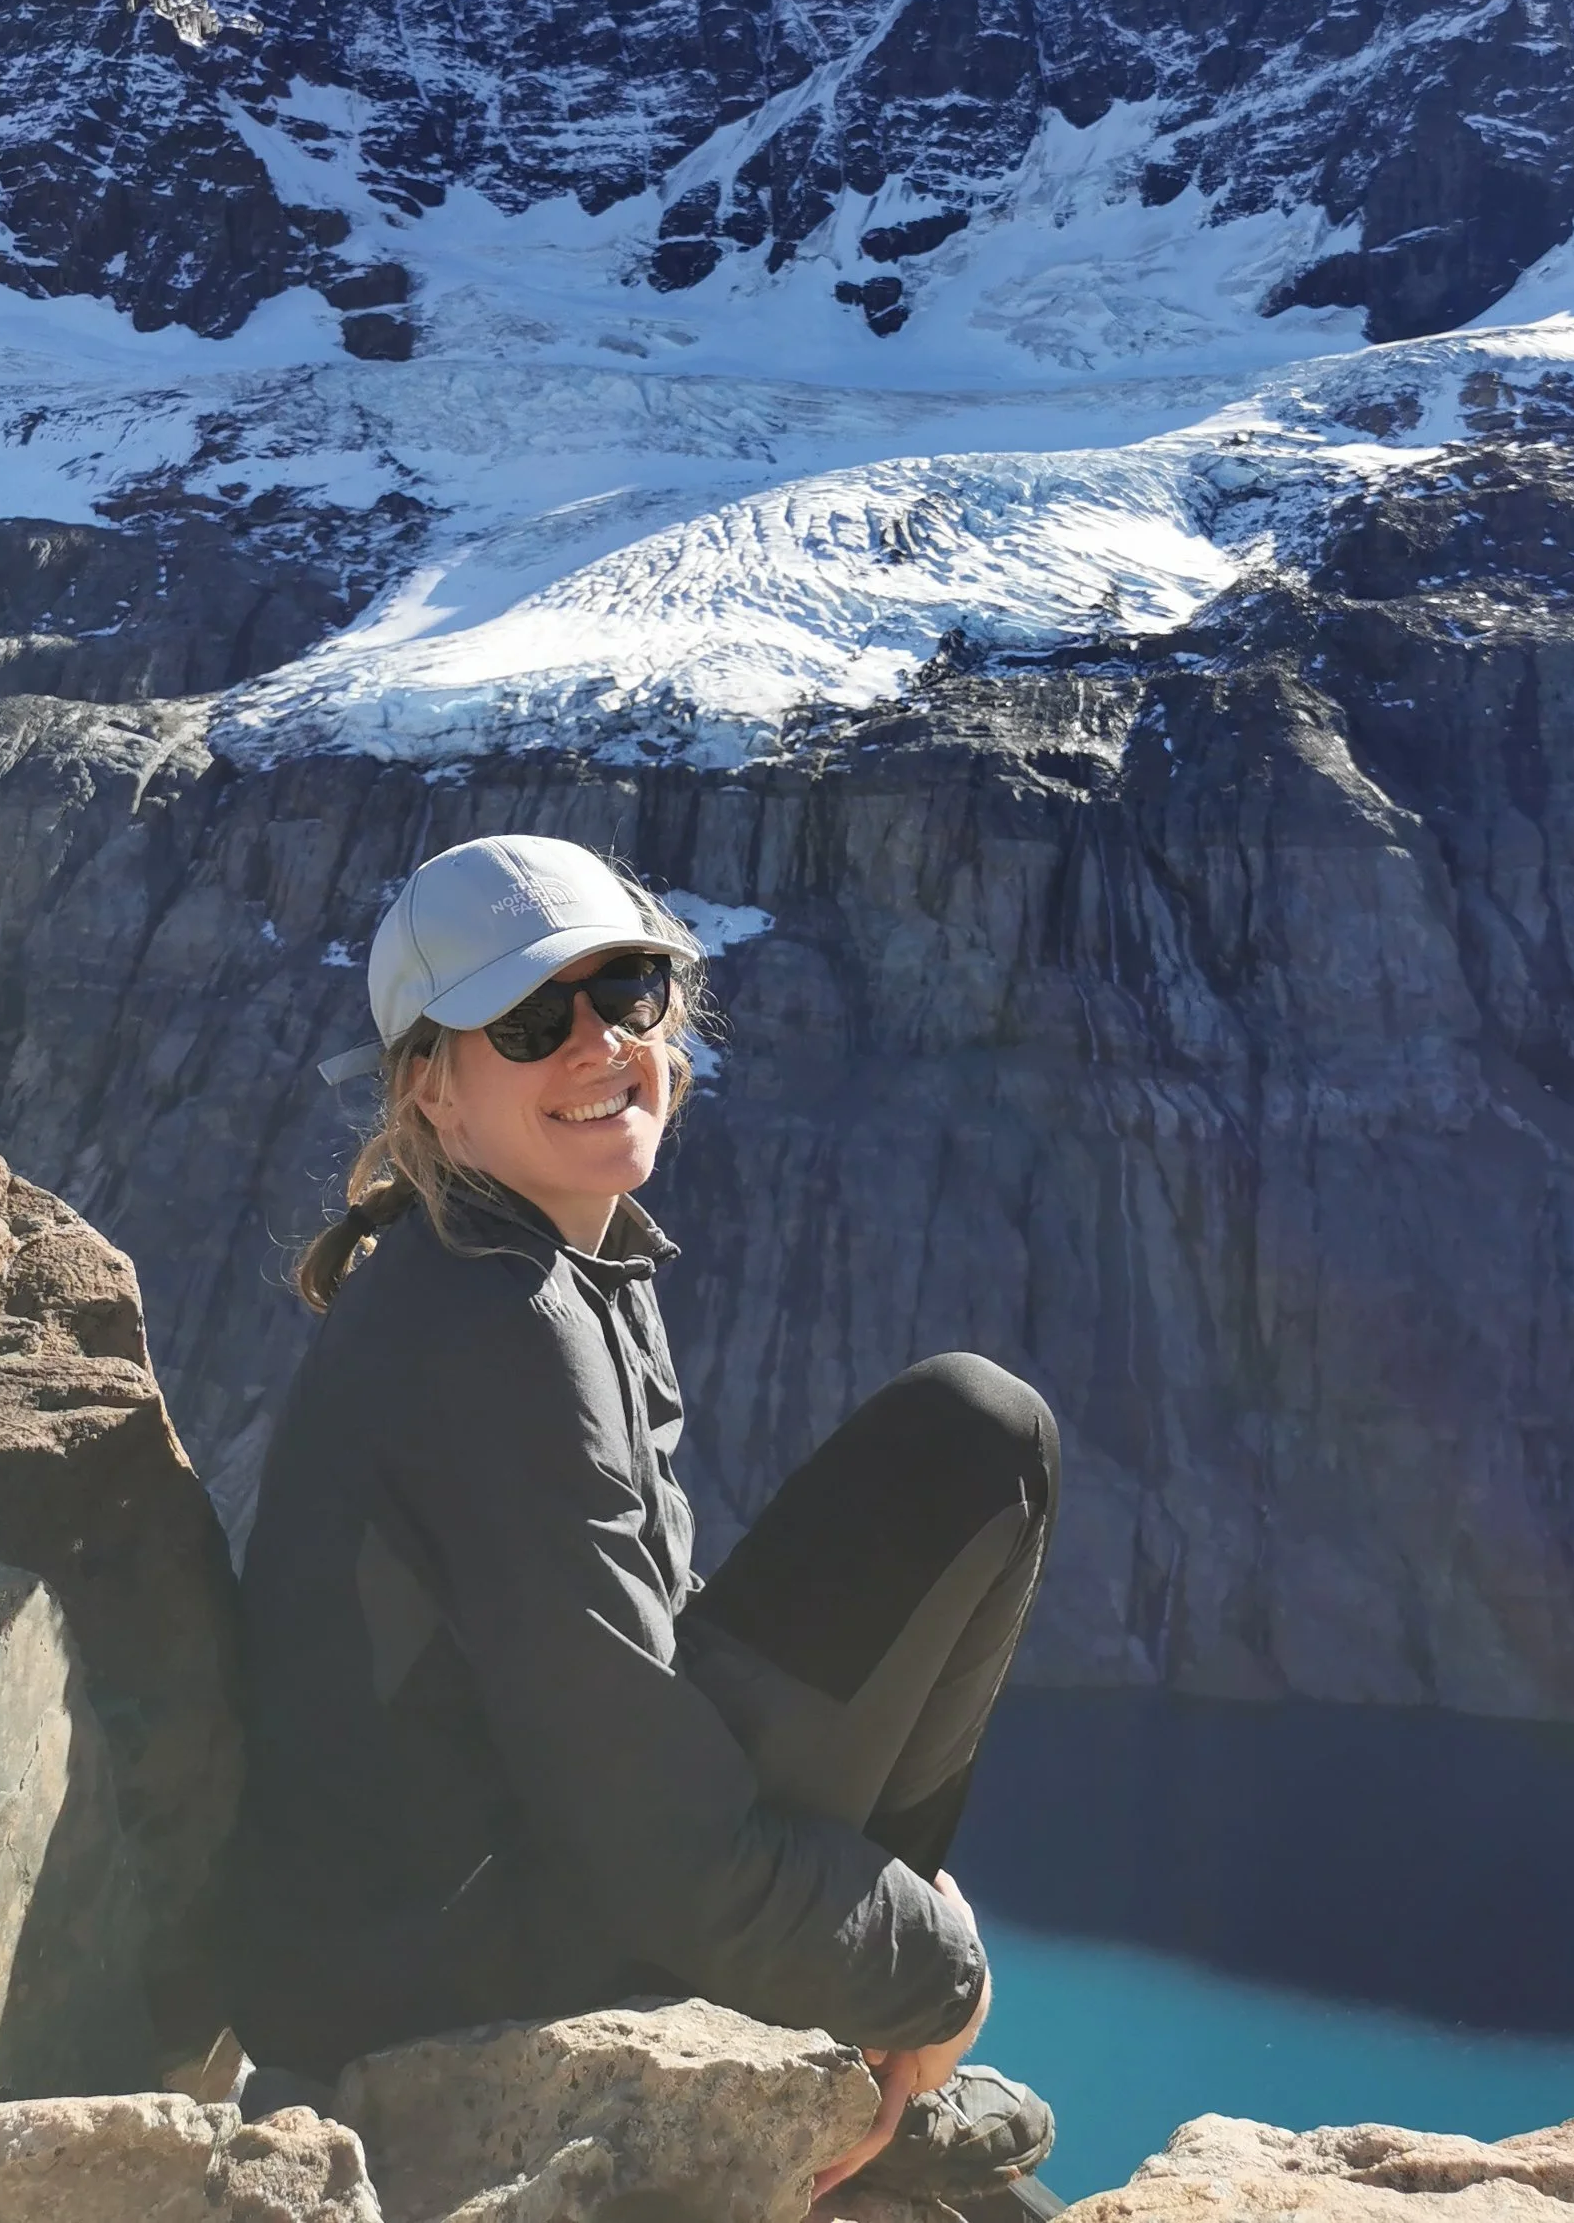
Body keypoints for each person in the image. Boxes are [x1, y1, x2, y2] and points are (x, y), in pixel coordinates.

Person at [229, 831, 1062, 2212]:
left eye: (628, 996)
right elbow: (651, 1836)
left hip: (429, 1909)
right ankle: (890, 2039)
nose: (598, 1042)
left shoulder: (530, 1252)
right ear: (429, 1090)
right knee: (977, 1438)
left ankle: (874, 2037)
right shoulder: (496, 1333)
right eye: (529, 1019)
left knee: (974, 1441)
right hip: (434, 1976)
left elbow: (619, 1693)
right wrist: (937, 1959)